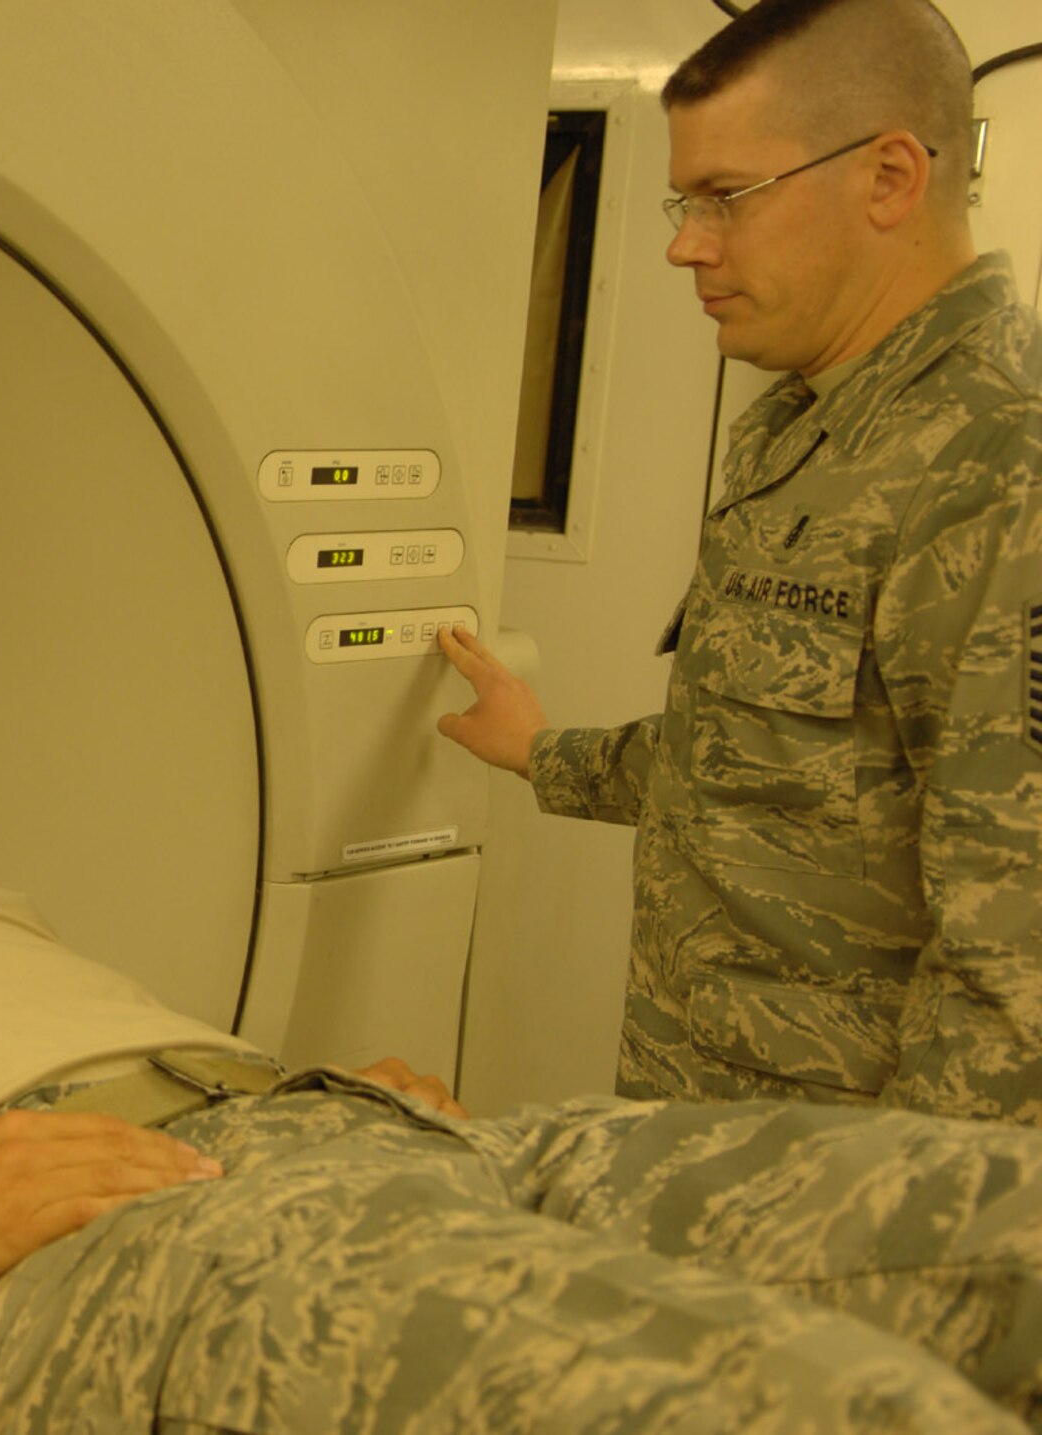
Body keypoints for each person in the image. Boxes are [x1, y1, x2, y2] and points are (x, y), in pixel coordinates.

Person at [0, 812, 1042, 1431]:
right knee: (768, 1400)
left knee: (987, 1213)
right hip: (83, 1251)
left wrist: (309, 1089)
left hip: (341, 1134)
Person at [437, 0, 1042, 1122]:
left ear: (888, 178)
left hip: (835, 1193)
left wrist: (885, 1248)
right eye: (683, 200)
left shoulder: (999, 462)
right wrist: (542, 752)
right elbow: (768, 760)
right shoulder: (799, 425)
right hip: (705, 1129)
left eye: (725, 197)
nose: (682, 242)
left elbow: (1015, 970)